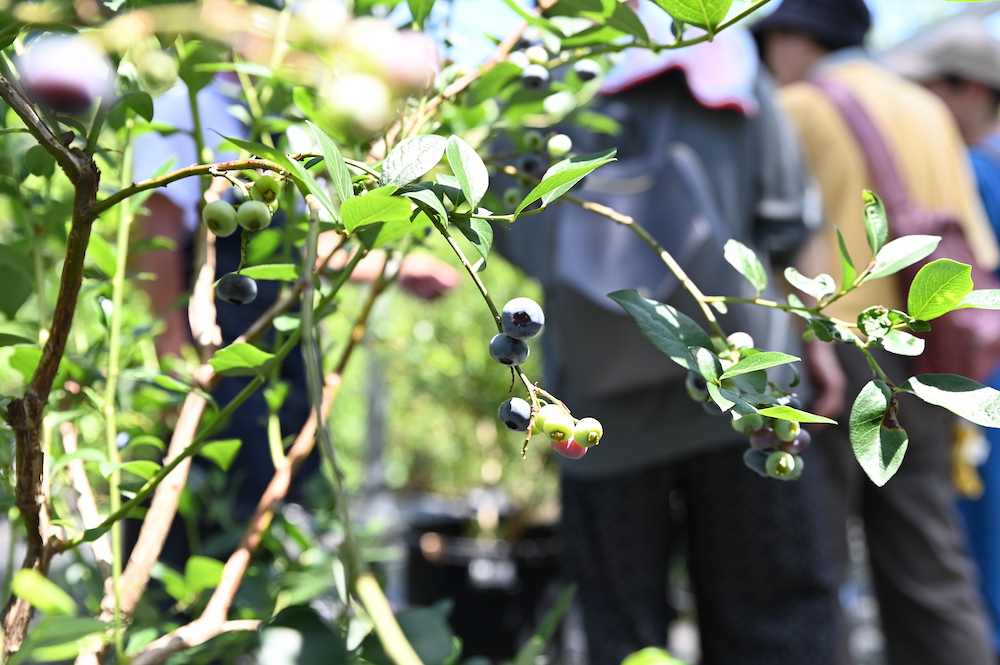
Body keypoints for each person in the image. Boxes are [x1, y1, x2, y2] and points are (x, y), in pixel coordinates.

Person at [494, 7, 839, 664]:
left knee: (622, 625)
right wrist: (817, 346)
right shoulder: (729, 56)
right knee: (775, 616)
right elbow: (791, 218)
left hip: (600, 407)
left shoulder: (541, 68)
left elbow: (504, 221)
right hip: (741, 392)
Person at [753, 2, 1000, 664]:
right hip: (927, 350)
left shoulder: (799, 106)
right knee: (927, 560)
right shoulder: (926, 109)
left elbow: (769, 239)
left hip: (836, 351)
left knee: (814, 564)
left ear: (793, 40)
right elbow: (973, 246)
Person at [131, 73, 458, 565]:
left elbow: (298, 247)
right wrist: (176, 352)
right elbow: (152, 235)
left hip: (284, 348)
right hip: (220, 343)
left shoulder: (284, 121)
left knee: (281, 497)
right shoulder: (188, 109)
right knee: (219, 503)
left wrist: (396, 267)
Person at [883, 17, 1000, 659]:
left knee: (976, 543)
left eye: (933, 89)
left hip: (981, 375)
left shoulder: (974, 172)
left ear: (971, 90)